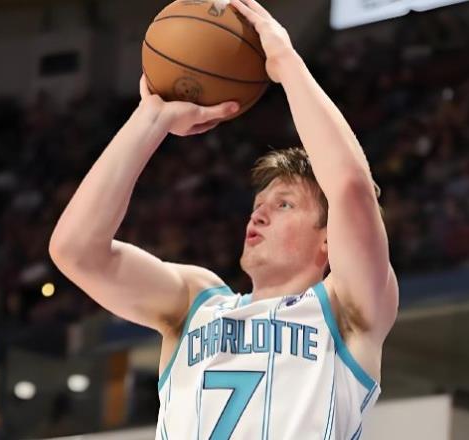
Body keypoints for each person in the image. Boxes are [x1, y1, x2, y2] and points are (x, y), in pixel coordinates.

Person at [49, 0, 399, 438]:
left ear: (329, 239)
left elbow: (350, 188)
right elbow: (75, 250)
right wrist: (150, 119)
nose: (260, 214)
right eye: (259, 204)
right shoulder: (193, 303)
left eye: (285, 205)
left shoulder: (346, 309)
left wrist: (287, 64)